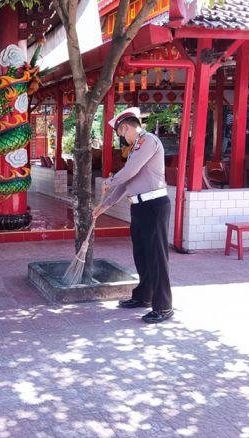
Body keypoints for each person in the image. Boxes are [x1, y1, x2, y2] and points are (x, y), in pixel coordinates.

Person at [100, 107, 173, 323]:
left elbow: (128, 172)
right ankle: (144, 296)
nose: (123, 139)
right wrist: (105, 205)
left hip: (154, 206)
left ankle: (164, 306)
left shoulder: (148, 141)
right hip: (139, 207)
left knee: (157, 258)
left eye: (122, 134)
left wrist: (109, 181)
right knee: (141, 255)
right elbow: (128, 183)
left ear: (126, 127)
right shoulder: (135, 149)